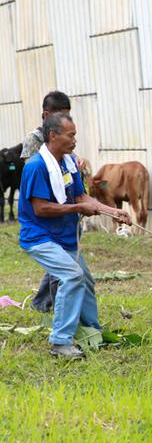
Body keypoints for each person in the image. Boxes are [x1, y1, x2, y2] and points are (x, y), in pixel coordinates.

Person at [18, 113, 130, 359]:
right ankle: (60, 342)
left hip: (64, 237)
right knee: (72, 275)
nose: (75, 140)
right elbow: (41, 209)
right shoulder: (36, 167)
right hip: (40, 238)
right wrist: (79, 209)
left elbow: (81, 197)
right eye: (71, 135)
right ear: (53, 135)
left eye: (75, 135)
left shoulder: (67, 162)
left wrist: (112, 211)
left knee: (85, 280)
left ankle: (93, 331)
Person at [21, 91, 87, 312]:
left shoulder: (64, 139)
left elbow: (66, 163)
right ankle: (49, 308)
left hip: (65, 212)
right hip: (46, 212)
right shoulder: (35, 142)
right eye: (60, 116)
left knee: (67, 266)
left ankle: (50, 305)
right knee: (65, 269)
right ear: (47, 115)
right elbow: (34, 172)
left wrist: (77, 164)